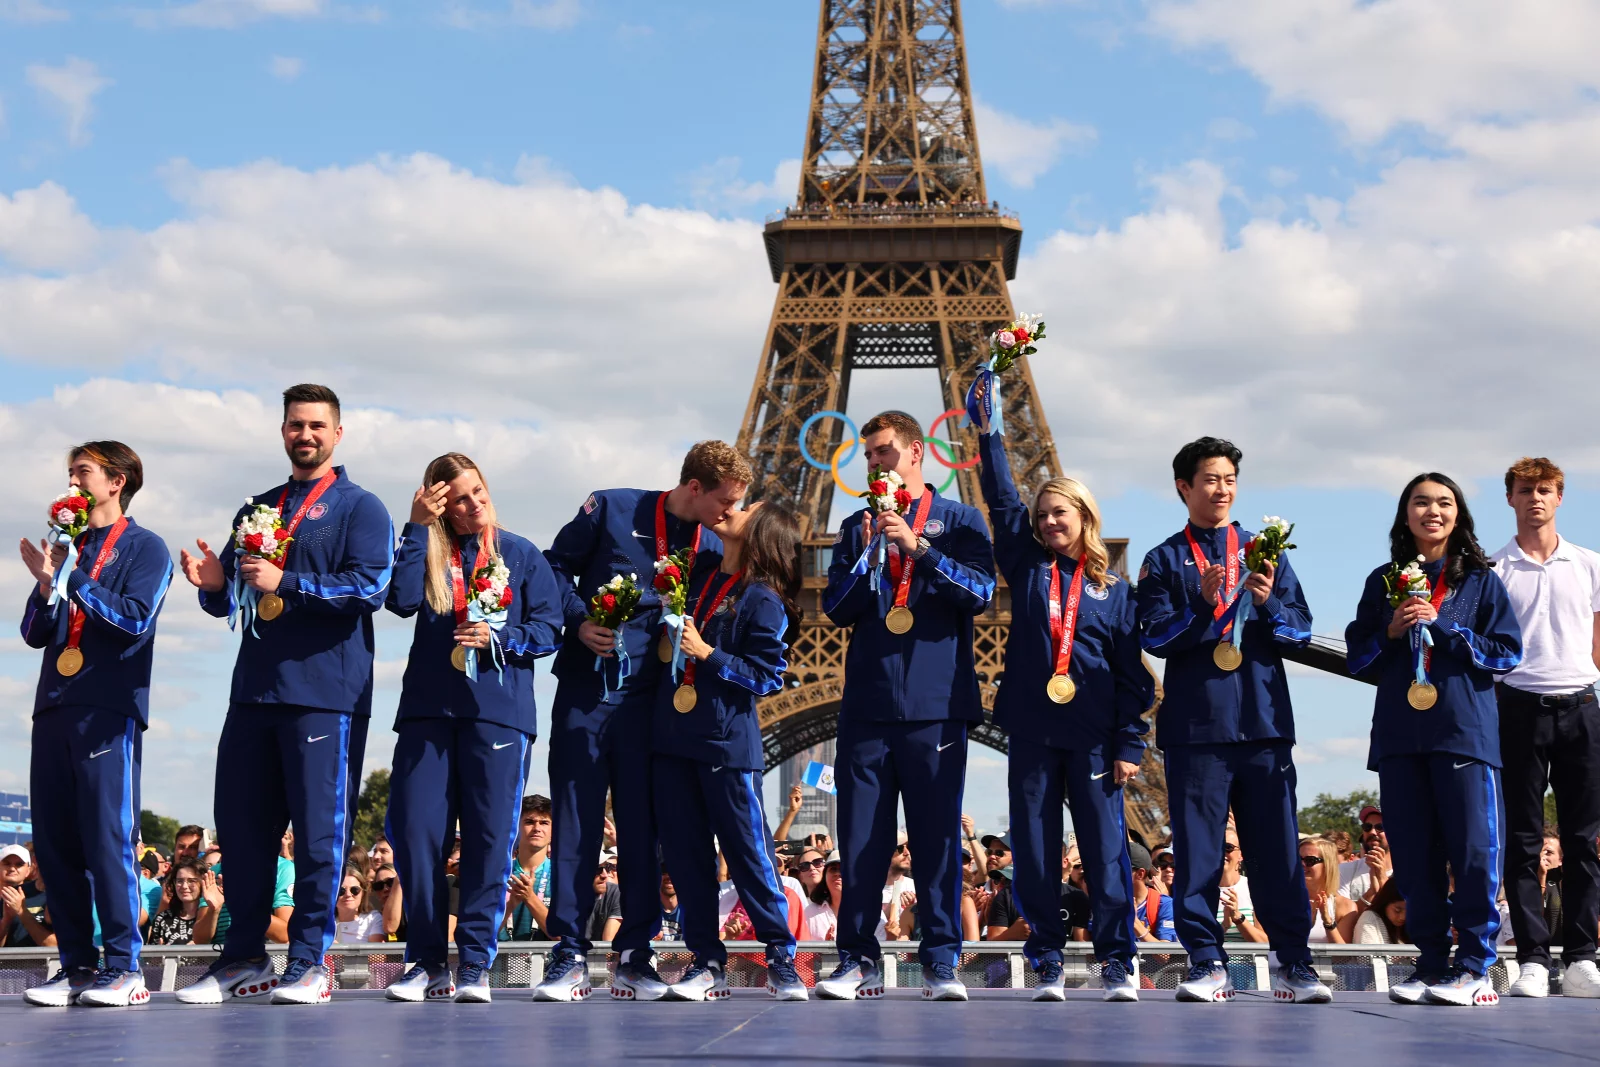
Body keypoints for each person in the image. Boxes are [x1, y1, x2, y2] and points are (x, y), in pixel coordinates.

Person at [177, 384, 394, 1006]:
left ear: (338, 434)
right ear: (282, 432)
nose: (306, 434)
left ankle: (310, 962)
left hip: (325, 694)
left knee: (319, 836)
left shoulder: (361, 507)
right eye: (296, 424)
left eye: (318, 425)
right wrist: (214, 587)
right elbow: (235, 595)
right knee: (242, 834)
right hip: (253, 693)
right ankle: (243, 958)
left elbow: (371, 587)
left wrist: (287, 580)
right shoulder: (258, 507)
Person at [534, 442, 743, 1002]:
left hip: (655, 703)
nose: (728, 514)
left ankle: (635, 954)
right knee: (575, 825)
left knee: (643, 831)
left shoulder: (716, 542)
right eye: (724, 502)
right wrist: (578, 623)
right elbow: (554, 566)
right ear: (695, 488)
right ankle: (569, 953)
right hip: (588, 689)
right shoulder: (609, 507)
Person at [1136, 437, 1327, 1004]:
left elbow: (1298, 629)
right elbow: (1152, 636)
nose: (1221, 489)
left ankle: (1294, 962)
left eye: (1229, 480)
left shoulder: (1266, 550)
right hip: (1198, 730)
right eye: (1209, 479)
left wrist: (1267, 602)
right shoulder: (1164, 559)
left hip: (1264, 725)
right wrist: (1199, 601)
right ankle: (1206, 962)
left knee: (1276, 853)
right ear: (1183, 488)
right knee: (1198, 853)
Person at [815, 412, 996, 1003]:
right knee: (862, 838)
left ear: (917, 451)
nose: (875, 463)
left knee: (938, 838)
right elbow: (835, 610)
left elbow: (982, 594)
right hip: (867, 706)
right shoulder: (853, 527)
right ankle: (856, 961)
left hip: (936, 705)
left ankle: (941, 962)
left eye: (884, 452)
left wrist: (919, 550)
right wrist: (869, 555)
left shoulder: (962, 521)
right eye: (868, 455)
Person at [975, 422, 1154, 1000]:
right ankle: (1047, 958)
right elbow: (1002, 501)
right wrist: (992, 434)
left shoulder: (1117, 593)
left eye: (1061, 513)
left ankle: (1117, 961)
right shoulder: (1028, 568)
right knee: (1032, 850)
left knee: (1106, 855)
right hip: (1032, 732)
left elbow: (1133, 678)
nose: (1050, 522)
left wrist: (1131, 744)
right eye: (1044, 514)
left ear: (1084, 516)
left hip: (1095, 739)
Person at [381, 453, 564, 1003]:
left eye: (478, 491)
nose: (474, 504)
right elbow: (400, 601)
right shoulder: (429, 549)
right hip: (428, 713)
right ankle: (425, 961)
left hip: (498, 714)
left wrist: (500, 641)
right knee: (416, 838)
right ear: (440, 503)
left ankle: (476, 964)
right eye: (459, 498)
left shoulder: (522, 554)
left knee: (488, 841)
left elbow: (550, 629)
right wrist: (415, 528)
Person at [1346, 472, 1521, 1006]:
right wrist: (1392, 631)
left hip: (1463, 734)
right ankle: (1429, 963)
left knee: (1472, 855)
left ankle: (1473, 966)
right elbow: (1358, 657)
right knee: (1416, 860)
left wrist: (1445, 627)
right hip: (1401, 736)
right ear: (1405, 515)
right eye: (1421, 502)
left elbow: (1507, 654)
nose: (1432, 511)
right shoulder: (1384, 581)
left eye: (1444, 503)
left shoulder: (1481, 580)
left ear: (1458, 514)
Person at [18, 441, 171, 1008]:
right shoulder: (70, 547)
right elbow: (35, 632)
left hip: (108, 711)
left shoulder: (145, 547)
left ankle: (125, 968)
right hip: (54, 704)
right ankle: (78, 966)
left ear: (117, 481)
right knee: (56, 844)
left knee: (107, 839)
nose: (73, 483)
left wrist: (75, 576)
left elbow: (134, 621)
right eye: (70, 474)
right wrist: (45, 585)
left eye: (83, 473)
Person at [653, 504, 806, 1001]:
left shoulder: (763, 599)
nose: (730, 510)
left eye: (745, 508)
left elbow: (767, 677)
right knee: (686, 857)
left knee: (748, 854)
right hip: (676, 739)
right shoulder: (693, 580)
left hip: (726, 746)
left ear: (762, 531)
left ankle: (781, 956)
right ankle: (706, 961)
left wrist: (708, 654)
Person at [1490, 457, 1600, 999]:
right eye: (1525, 489)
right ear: (1509, 497)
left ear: (1560, 498)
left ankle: (1582, 955)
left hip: (1580, 704)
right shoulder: (1492, 568)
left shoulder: (1589, 563)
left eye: (1546, 489)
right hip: (1516, 706)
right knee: (1523, 840)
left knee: (1583, 839)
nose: (1536, 498)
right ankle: (1532, 957)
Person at [1299, 837, 1356, 943]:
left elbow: (1343, 957)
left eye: (1309, 860)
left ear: (1327, 865)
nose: (1302, 864)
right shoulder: (1284, 901)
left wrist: (1328, 922)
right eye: (1298, 859)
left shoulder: (1345, 906)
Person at [1127, 842, 1177, 944]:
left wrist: (1136, 924)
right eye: (1162, 865)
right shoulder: (1107, 902)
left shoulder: (1163, 904)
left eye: (1121, 869)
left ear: (1140, 874)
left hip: (1148, 960)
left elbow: (1164, 955)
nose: (1168, 869)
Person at [148, 864, 205, 946]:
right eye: (180, 881)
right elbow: (150, 956)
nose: (184, 886)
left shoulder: (209, 917)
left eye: (192, 881)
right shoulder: (162, 918)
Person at [332, 866, 384, 944]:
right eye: (341, 890)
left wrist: (336, 951)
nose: (348, 894)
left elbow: (377, 955)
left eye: (355, 890)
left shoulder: (373, 918)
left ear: (363, 893)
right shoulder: (326, 923)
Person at [1353, 879, 1410, 945]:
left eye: (1409, 911)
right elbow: (1367, 953)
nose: (1403, 917)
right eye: (1397, 910)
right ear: (1385, 903)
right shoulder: (1369, 919)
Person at [804, 853, 843, 940]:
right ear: (825, 876)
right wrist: (825, 948)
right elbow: (803, 950)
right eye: (833, 869)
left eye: (843, 869)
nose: (837, 873)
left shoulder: (867, 911)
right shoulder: (810, 912)